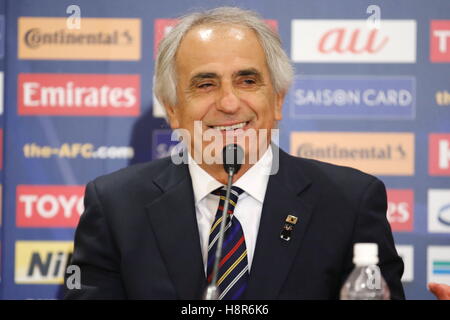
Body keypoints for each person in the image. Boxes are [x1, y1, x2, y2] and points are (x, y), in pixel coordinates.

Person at [65, 6, 404, 300]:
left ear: (278, 100)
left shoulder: (349, 201)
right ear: (172, 109)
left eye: (247, 81)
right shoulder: (115, 206)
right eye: (205, 84)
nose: (228, 103)